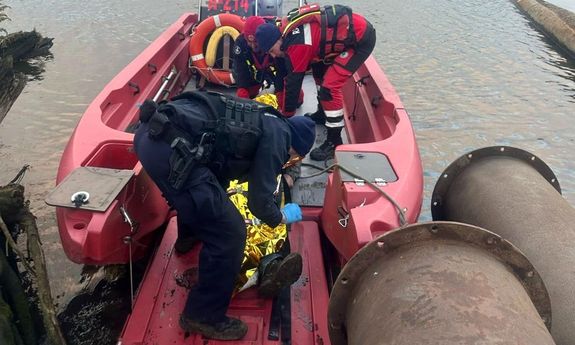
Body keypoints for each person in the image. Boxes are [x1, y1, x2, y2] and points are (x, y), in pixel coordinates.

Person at [133, 90, 315, 340]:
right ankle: (202, 315)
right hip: (172, 150)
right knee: (230, 234)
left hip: (150, 135)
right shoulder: (280, 137)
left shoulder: (262, 116)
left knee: (203, 194)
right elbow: (259, 203)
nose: (290, 161)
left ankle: (188, 238)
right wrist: (281, 217)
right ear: (297, 150)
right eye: (294, 159)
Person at [255, 4, 376, 161]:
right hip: (342, 38)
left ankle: (334, 142)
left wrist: (287, 120)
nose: (274, 56)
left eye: (272, 51)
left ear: (278, 40)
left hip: (360, 40)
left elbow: (293, 83)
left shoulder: (297, 44)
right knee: (318, 72)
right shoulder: (284, 31)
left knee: (329, 88)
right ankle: (321, 112)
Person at [233, 16, 303, 109]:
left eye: (256, 42)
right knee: (246, 97)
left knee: (297, 100)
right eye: (250, 42)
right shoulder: (240, 43)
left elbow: (283, 70)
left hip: (274, 67)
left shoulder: (273, 36)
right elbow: (240, 70)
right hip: (256, 71)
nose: (253, 46)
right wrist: (243, 89)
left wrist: (281, 93)